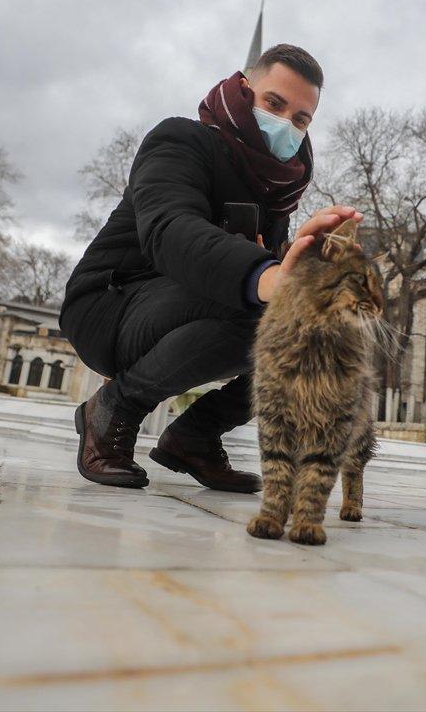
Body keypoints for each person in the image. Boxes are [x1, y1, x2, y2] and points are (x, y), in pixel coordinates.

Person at [60, 44, 362, 493]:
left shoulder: (275, 190)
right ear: (244, 89)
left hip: (192, 310)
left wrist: (302, 262)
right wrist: (269, 276)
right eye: (274, 103)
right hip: (112, 304)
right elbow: (171, 231)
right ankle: (111, 411)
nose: (285, 124)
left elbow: (266, 274)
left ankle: (195, 435)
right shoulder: (180, 141)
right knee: (265, 304)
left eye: (300, 119)